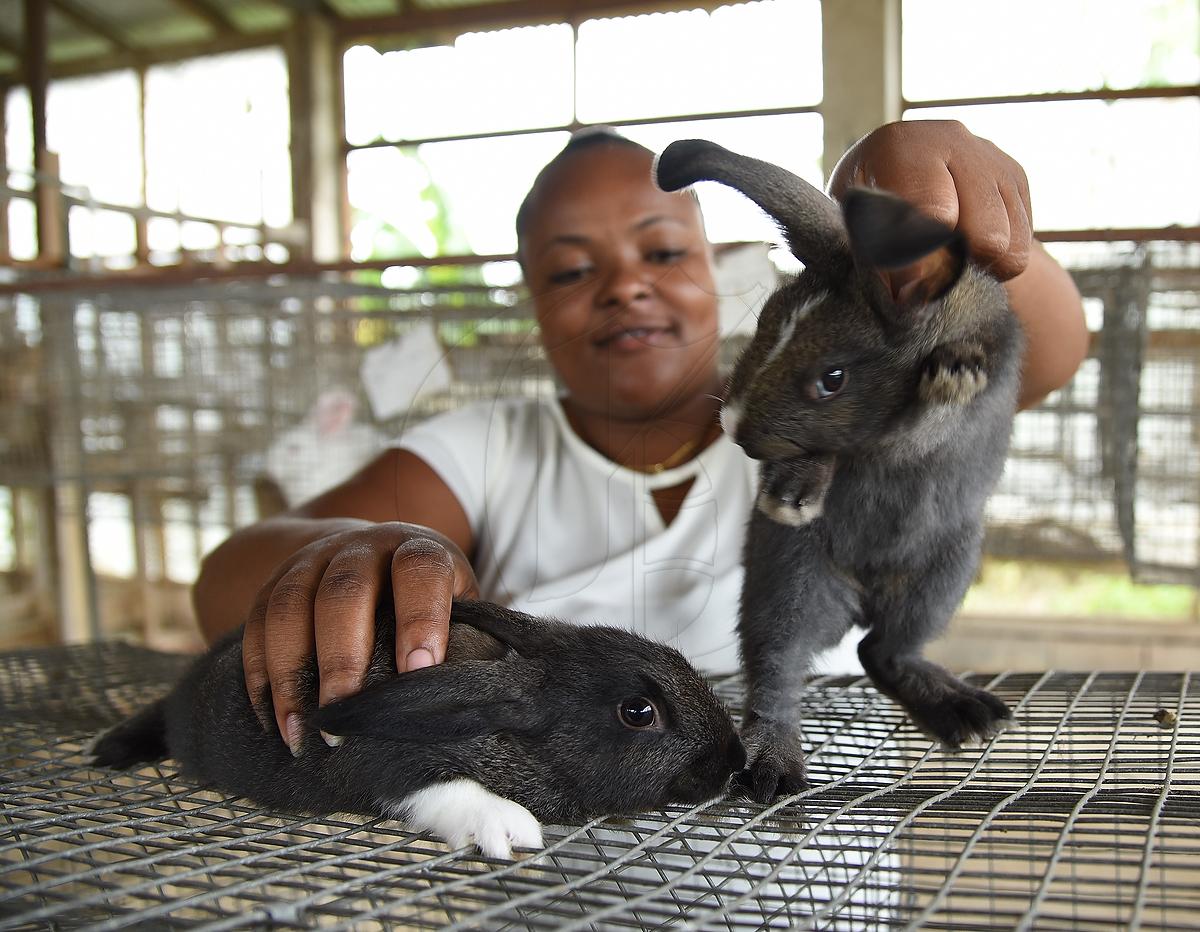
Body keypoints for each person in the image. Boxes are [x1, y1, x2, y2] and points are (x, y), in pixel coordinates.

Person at [193, 121, 1089, 755]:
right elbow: (225, 579)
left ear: (717, 272)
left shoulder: (849, 409)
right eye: (574, 270)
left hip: (823, 883)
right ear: (533, 306)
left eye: (662, 254)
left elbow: (1043, 352)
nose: (625, 287)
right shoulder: (487, 452)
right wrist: (363, 555)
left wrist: (952, 230)